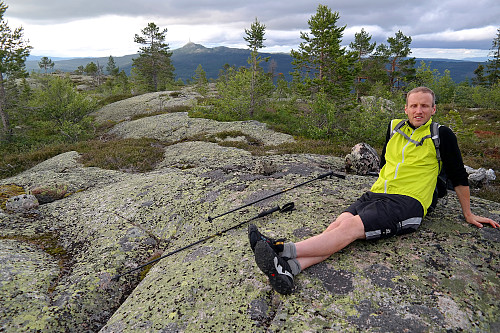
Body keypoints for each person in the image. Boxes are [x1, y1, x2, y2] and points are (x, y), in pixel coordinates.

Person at [249, 86, 499, 295]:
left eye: (424, 106)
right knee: (340, 225)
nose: (418, 110)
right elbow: (385, 163)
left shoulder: (441, 135)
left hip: (409, 202)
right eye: (413, 106)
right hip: (378, 193)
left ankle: (280, 248)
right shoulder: (394, 129)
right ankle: (290, 270)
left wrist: (468, 214)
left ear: (433, 109)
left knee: (347, 229)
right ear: (406, 108)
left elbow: (458, 176)